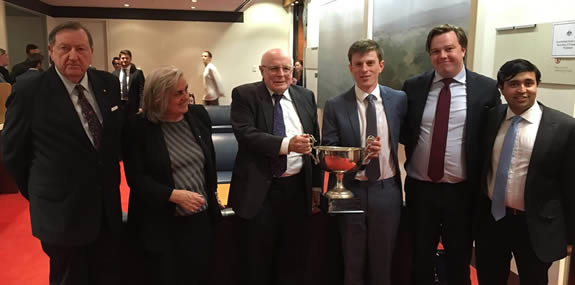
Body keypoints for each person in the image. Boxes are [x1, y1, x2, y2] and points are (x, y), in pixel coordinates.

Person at [1, 21, 123, 285]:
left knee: (107, 274)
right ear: (51, 51)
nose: (73, 56)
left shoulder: (108, 84)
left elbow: (113, 142)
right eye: (64, 48)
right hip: (61, 214)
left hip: (106, 210)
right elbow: (12, 152)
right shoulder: (29, 91)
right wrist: (39, 191)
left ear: (91, 51)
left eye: (80, 48)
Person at [400, 24, 501, 285]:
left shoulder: (486, 89)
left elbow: (491, 137)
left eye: (449, 49)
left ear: (463, 49)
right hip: (420, 189)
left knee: (459, 258)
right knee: (419, 256)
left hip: (462, 193)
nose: (443, 56)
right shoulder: (413, 87)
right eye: (436, 51)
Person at [475, 59, 575, 285]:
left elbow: (571, 185)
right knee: (489, 278)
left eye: (529, 83)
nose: (522, 90)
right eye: (514, 83)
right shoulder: (491, 118)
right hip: (492, 221)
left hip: (535, 226)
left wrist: (571, 236)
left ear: (537, 85)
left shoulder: (564, 127)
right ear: (501, 88)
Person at [228, 48, 322, 285]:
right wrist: (287, 145)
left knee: (293, 259)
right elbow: (246, 135)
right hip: (259, 192)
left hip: (297, 190)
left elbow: (315, 144)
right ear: (262, 71)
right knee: (257, 263)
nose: (280, 74)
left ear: (294, 71)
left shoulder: (305, 96)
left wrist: (316, 187)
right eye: (274, 68)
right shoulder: (244, 95)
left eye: (286, 68)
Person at [123, 65, 221, 285]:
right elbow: (136, 179)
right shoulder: (137, 127)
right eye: (178, 93)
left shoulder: (198, 115)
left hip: (200, 221)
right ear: (158, 97)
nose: (186, 96)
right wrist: (173, 195)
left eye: (186, 90)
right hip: (161, 223)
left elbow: (208, 163)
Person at [322, 39, 406, 285]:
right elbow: (330, 152)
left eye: (370, 63)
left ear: (381, 65)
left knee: (383, 260)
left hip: (386, 190)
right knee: (351, 259)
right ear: (350, 68)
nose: (364, 69)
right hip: (348, 190)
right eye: (358, 64)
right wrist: (360, 156)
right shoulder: (335, 105)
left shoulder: (399, 100)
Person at [112, 49, 145, 117]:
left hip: (133, 107)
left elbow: (142, 91)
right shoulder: (115, 73)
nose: (125, 60)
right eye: (123, 58)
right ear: (120, 59)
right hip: (120, 106)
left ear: (130, 59)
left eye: (127, 58)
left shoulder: (137, 73)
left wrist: (141, 106)